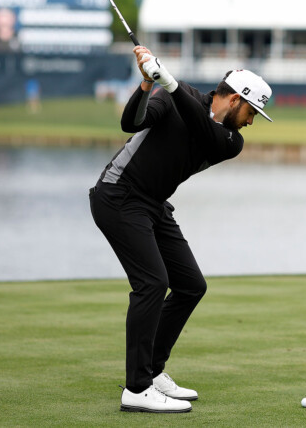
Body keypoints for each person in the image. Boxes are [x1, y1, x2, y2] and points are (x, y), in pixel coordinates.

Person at [89, 45, 273, 413]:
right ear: (235, 100)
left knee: (191, 285)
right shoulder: (177, 96)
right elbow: (131, 124)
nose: (251, 122)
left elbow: (203, 131)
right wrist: (147, 84)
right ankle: (137, 388)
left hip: (153, 205)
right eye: (251, 111)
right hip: (118, 194)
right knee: (152, 283)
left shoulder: (231, 141)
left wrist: (168, 82)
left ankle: (152, 371)